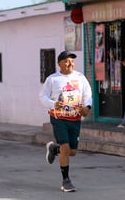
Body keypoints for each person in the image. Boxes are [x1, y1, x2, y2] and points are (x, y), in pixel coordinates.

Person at [39, 50, 92, 192]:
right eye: (67, 61)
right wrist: (53, 104)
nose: (70, 63)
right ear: (59, 63)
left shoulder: (80, 77)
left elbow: (88, 94)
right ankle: (66, 181)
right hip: (58, 118)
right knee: (66, 147)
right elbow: (42, 97)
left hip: (75, 118)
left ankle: (54, 148)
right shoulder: (52, 79)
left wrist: (87, 107)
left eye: (72, 61)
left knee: (72, 151)